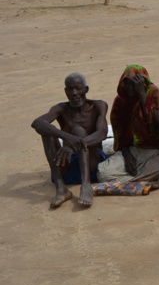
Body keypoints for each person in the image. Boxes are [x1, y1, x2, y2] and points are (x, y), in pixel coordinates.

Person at [31, 73, 108, 208]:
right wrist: (67, 138)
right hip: (67, 161)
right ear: (65, 91)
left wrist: (73, 145)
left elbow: (102, 133)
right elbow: (37, 123)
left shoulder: (98, 106)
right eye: (70, 89)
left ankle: (86, 185)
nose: (74, 93)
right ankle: (61, 188)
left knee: (78, 131)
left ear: (86, 89)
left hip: (91, 161)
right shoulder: (61, 108)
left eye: (78, 88)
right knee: (46, 131)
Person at [98, 65, 159, 183]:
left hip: (154, 150)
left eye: (135, 84)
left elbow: (155, 125)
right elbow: (120, 134)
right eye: (127, 83)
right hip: (131, 149)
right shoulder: (120, 100)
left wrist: (141, 94)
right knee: (102, 174)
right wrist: (126, 154)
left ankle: (129, 180)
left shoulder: (153, 94)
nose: (130, 88)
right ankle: (140, 179)